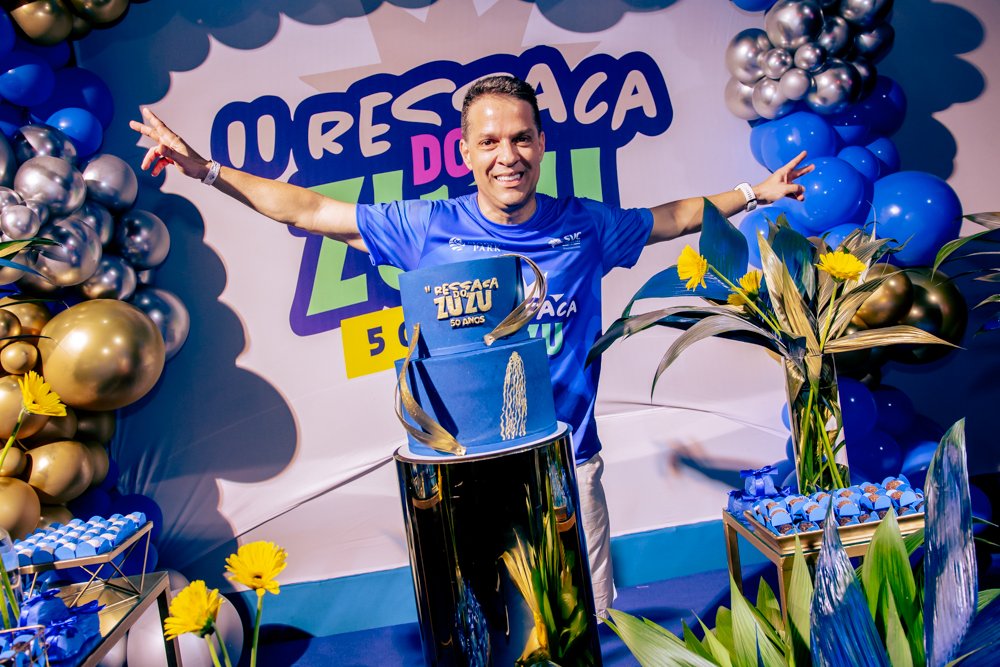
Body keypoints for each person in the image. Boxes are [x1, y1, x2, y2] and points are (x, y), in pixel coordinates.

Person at [131, 75, 811, 616]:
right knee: (487, 630)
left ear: (541, 143)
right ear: (464, 151)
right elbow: (307, 209)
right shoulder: (425, 226)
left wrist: (754, 192)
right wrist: (205, 169)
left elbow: (674, 217)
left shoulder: (586, 225)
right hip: (469, 476)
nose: (506, 156)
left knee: (585, 623)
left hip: (569, 465)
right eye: (489, 142)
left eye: (520, 139)